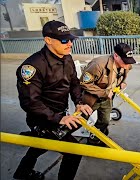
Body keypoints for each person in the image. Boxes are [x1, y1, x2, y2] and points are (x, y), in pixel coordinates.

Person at [13, 20, 93, 180]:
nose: (69, 43)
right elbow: (30, 102)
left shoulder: (67, 58)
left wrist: (79, 102)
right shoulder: (31, 67)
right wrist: (59, 118)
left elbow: (74, 82)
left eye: (70, 39)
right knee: (74, 152)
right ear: (48, 40)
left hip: (60, 114)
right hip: (42, 119)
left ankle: (22, 171)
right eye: (64, 40)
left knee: (42, 144)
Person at [80, 43, 136, 146]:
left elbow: (124, 72)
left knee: (104, 121)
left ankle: (95, 140)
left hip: (107, 99)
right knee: (80, 120)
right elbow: (84, 83)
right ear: (115, 56)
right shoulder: (98, 65)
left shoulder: (126, 64)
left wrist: (121, 82)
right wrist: (104, 93)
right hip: (92, 98)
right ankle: (60, 139)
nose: (128, 64)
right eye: (125, 61)